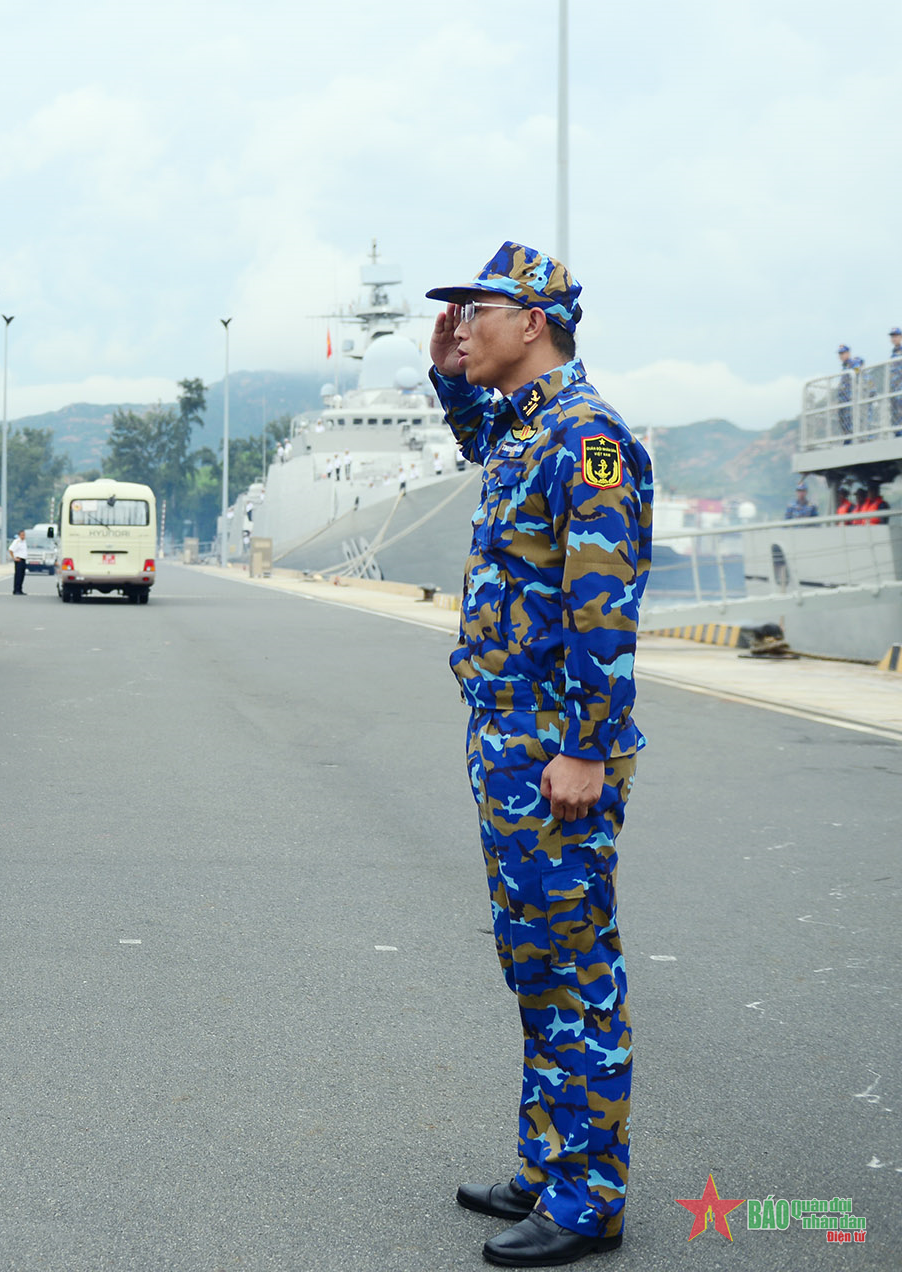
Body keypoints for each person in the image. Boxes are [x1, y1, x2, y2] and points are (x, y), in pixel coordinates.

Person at [425, 241, 651, 1267]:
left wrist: (586, 751)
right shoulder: (529, 432)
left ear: (539, 322)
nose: (464, 322)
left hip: (556, 745)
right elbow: (488, 443)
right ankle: (549, 1158)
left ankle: (589, 1197)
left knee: (572, 967)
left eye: (480, 310)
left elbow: (602, 612)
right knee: (531, 956)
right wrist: (447, 375)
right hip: (509, 738)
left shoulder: (590, 439)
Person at [837, 344, 864, 442]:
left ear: (848, 353)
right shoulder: (844, 367)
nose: (841, 355)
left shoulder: (853, 363)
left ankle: (850, 440)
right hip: (843, 398)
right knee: (842, 419)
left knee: (849, 419)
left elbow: (858, 371)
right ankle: (846, 438)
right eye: (840, 353)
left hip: (850, 396)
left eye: (843, 353)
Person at [8, 529, 27, 594]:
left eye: (24, 535)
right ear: (19, 535)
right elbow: (10, 550)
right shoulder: (17, 541)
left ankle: (20, 589)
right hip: (18, 560)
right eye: (22, 535)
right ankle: (16, 590)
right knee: (18, 576)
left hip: (23, 560)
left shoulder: (24, 542)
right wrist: (14, 558)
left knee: (22, 576)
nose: (23, 536)